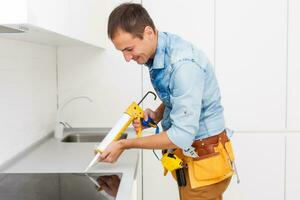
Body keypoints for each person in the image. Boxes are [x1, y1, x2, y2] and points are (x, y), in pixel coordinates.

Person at [99, 3, 237, 200]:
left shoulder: (183, 66)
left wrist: (125, 144)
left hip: (203, 166)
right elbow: (180, 97)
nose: (127, 58)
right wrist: (156, 115)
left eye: (129, 49)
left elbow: (181, 136)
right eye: (122, 51)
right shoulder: (162, 49)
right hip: (196, 163)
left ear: (148, 32)